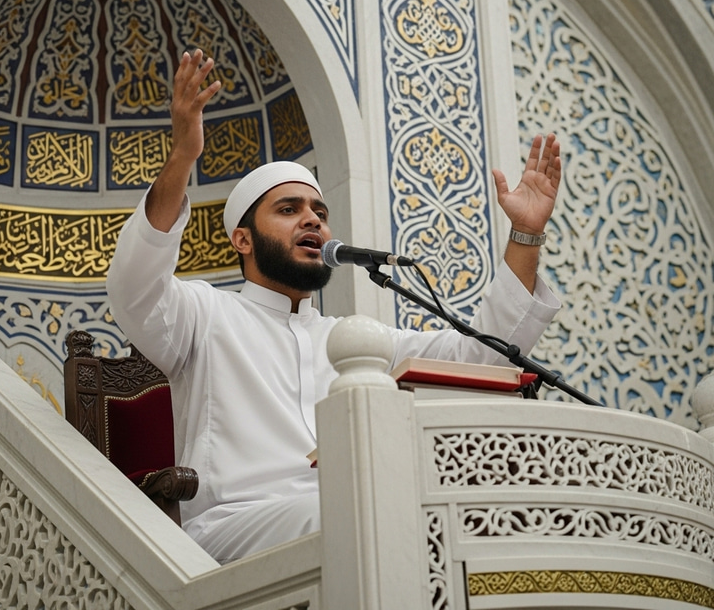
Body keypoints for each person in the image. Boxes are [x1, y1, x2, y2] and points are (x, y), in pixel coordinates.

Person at [107, 49, 562, 563]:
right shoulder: (203, 314)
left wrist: (526, 235)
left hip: (348, 510)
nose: (313, 221)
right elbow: (134, 286)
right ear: (243, 240)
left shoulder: (355, 341)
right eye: (289, 209)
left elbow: (483, 356)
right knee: (365, 510)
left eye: (320, 213)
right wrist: (183, 156)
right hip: (234, 525)